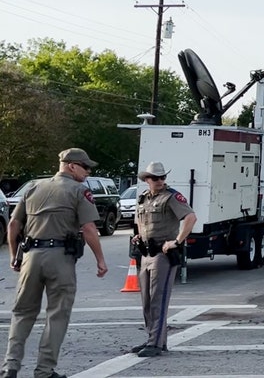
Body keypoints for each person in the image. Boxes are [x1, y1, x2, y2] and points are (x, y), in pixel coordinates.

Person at [4, 148, 109, 378]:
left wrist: (14, 255)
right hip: (60, 258)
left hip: (31, 256)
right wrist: (100, 260)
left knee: (22, 313)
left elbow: (13, 225)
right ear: (71, 166)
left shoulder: (33, 187)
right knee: (57, 314)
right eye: (85, 167)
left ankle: (10, 367)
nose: (88, 172)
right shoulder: (79, 191)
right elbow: (89, 228)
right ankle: (44, 371)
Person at [130, 161, 196, 358]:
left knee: (158, 298)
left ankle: (156, 343)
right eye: (155, 178)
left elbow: (190, 217)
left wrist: (177, 241)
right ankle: (153, 338)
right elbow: (141, 222)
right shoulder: (143, 198)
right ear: (147, 180)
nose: (160, 181)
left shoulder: (171, 196)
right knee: (147, 301)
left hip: (163, 254)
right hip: (146, 252)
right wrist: (138, 237)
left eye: (162, 177)